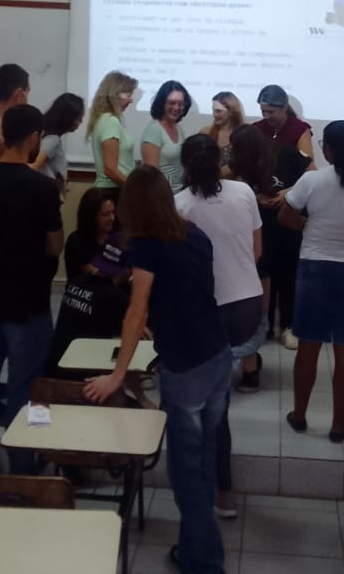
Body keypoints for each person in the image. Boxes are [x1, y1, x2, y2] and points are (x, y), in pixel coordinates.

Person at [83, 167, 231, 574]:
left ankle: (208, 563)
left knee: (184, 474)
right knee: (203, 461)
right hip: (218, 355)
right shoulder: (195, 234)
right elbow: (188, 293)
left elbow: (136, 312)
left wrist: (117, 376)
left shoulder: (148, 247)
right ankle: (192, 551)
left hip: (186, 367)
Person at [0, 105, 63, 473]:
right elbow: (54, 245)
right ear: (33, 137)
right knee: (27, 386)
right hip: (28, 300)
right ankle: (23, 465)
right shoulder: (42, 187)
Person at [279, 120, 344, 442]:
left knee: (308, 345)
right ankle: (339, 424)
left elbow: (285, 216)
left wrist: (311, 227)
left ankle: (299, 415)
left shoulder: (312, 180)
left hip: (315, 266)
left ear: (327, 149)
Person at [175, 134, 262, 519]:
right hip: (248, 303)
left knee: (211, 404)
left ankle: (214, 489)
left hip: (208, 308)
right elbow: (256, 252)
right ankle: (221, 488)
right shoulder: (244, 192)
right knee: (218, 398)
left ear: (185, 165)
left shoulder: (180, 203)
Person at [229, 123, 311, 351]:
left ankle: (289, 326)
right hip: (259, 224)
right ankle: (263, 326)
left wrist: (288, 193)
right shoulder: (243, 160)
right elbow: (225, 177)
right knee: (262, 272)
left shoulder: (287, 153)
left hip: (290, 221)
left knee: (289, 274)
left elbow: (312, 175)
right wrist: (256, 197)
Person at [46, 240, 132, 376]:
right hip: (85, 374)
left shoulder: (77, 281)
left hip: (55, 366)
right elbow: (128, 339)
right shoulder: (116, 297)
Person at [87, 70, 138, 189]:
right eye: (128, 95)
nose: (131, 100)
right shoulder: (110, 121)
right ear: (114, 95)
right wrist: (132, 189)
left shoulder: (103, 119)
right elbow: (110, 169)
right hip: (113, 190)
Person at [63, 187, 123, 282]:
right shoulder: (76, 240)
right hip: (88, 289)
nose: (112, 218)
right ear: (91, 216)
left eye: (113, 212)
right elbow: (97, 275)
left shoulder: (117, 237)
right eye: (105, 214)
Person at [142, 80, 191, 193]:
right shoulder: (154, 129)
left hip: (179, 192)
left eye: (180, 104)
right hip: (162, 195)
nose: (176, 108)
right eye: (172, 103)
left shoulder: (178, 128)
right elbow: (151, 174)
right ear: (162, 103)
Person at [30, 92, 85, 194]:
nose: (81, 122)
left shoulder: (50, 137)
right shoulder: (52, 140)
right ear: (68, 117)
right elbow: (34, 166)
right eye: (79, 118)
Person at [253, 84, 314, 159]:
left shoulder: (300, 130)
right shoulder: (257, 128)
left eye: (271, 112)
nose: (266, 116)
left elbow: (307, 163)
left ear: (284, 108)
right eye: (263, 111)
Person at [201, 91, 244, 173]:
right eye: (213, 111)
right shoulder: (205, 132)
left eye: (219, 111)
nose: (214, 115)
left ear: (231, 112)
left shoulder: (242, 136)